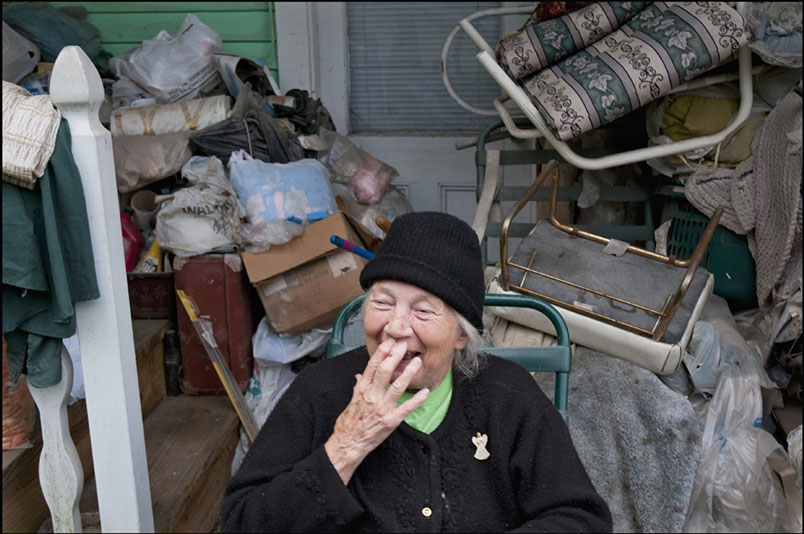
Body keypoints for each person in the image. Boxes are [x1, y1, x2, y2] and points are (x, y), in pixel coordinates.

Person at [220, 211, 612, 532]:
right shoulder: (319, 393)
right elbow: (242, 520)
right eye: (383, 303)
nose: (395, 327)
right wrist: (346, 447)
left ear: (461, 335)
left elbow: (580, 518)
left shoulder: (508, 395)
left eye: (423, 310)